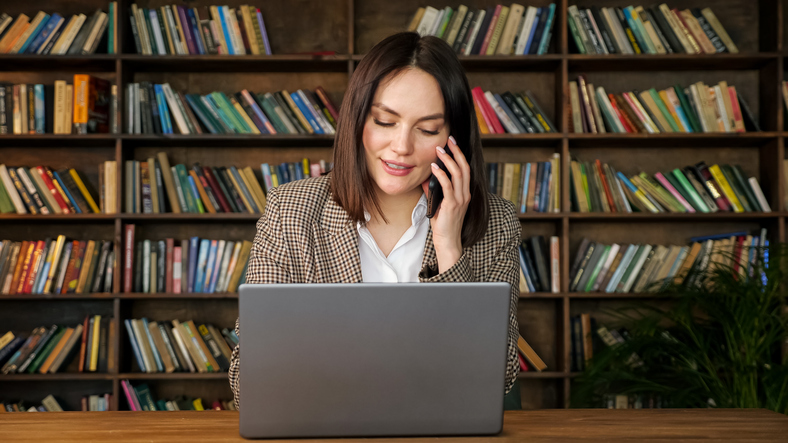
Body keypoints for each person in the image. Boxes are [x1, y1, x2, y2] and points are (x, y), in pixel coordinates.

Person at [229, 31, 522, 410]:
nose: (401, 146)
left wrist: (449, 247)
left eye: (428, 129)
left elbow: (498, 376)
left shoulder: (496, 221)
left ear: (454, 138)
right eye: (385, 121)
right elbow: (247, 381)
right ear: (357, 120)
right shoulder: (290, 210)